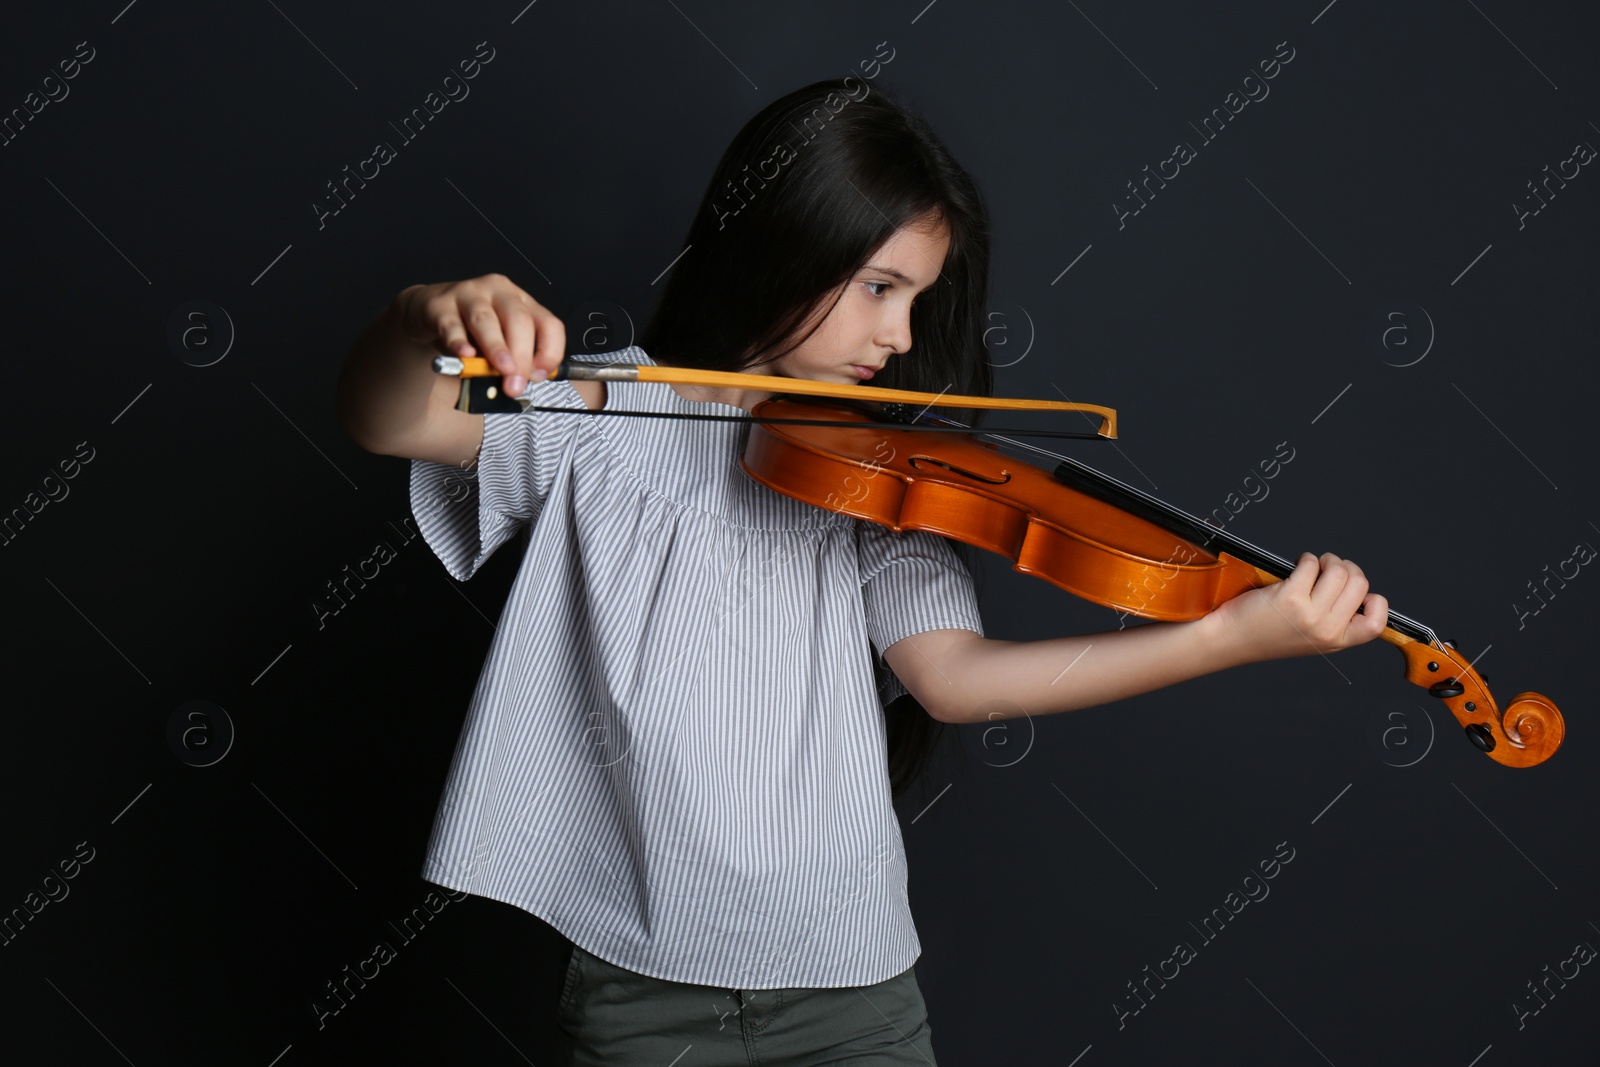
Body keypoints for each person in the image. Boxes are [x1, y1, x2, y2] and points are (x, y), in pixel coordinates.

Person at [335, 77, 1387, 1066]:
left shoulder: (881, 471)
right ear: (787, 242)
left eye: (918, 298)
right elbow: (387, 416)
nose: (899, 334)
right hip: (637, 979)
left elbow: (957, 678)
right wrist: (429, 309)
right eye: (879, 286)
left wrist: (1229, 635)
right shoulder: (595, 418)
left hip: (850, 985)